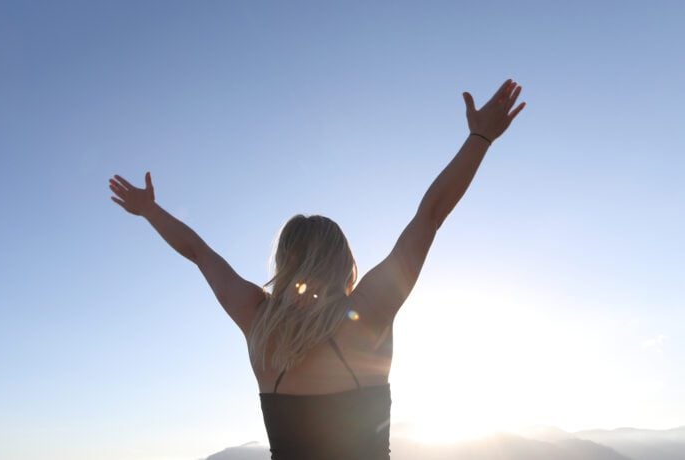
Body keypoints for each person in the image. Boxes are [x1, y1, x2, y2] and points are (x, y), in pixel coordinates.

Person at [108, 78, 526, 460]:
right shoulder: (367, 314)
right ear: (343, 260)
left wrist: (150, 211)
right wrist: (480, 138)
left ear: (284, 260)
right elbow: (429, 216)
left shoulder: (258, 320)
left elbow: (198, 252)